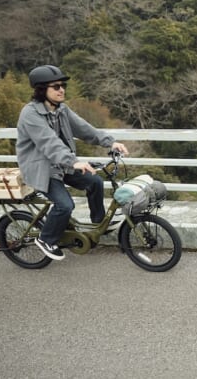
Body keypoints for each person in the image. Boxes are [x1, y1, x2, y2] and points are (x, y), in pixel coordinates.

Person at [17, 65, 128, 261]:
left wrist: (110, 142)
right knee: (65, 205)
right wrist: (74, 161)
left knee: (94, 181)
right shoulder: (30, 115)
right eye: (56, 86)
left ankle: (97, 224)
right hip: (42, 169)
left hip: (63, 164)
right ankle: (46, 239)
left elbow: (85, 129)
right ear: (42, 90)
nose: (62, 90)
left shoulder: (62, 110)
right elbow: (48, 143)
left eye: (63, 85)